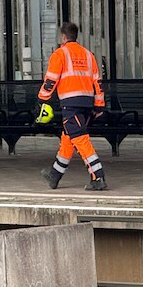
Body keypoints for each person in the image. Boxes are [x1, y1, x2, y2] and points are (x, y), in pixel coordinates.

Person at [38, 22, 108, 190]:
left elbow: (51, 79)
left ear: (63, 37)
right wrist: (99, 105)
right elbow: (97, 82)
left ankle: (98, 177)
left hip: (70, 104)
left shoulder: (60, 54)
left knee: (80, 139)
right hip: (87, 104)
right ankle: (55, 175)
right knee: (68, 139)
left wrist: (42, 99)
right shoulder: (88, 55)